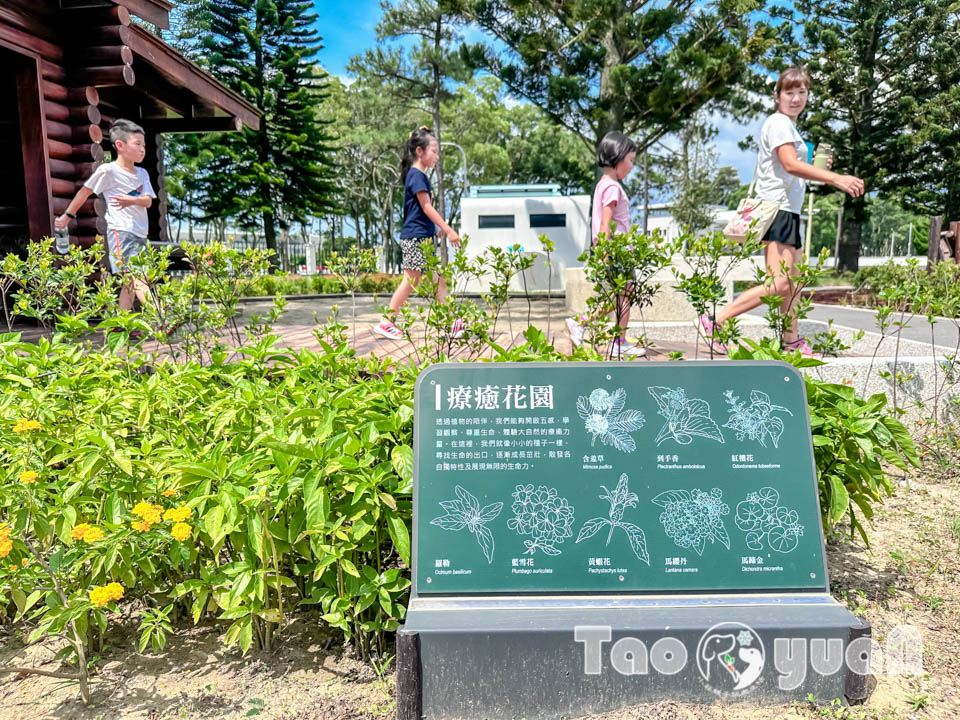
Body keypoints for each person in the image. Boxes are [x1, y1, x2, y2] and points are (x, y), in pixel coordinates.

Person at [699, 66, 865, 357]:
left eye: (802, 92)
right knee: (779, 283)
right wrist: (836, 178)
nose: (796, 98)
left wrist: (815, 168)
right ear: (777, 95)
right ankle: (716, 320)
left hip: (788, 211)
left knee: (793, 284)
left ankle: (791, 342)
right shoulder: (778, 122)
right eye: (790, 92)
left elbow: (792, 169)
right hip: (777, 210)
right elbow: (789, 164)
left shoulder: (790, 127)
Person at [54, 119, 156, 312]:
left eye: (144, 145)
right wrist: (67, 216)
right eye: (137, 144)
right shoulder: (108, 170)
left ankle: (120, 325)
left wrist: (131, 200)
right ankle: (162, 316)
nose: (142, 149)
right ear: (120, 145)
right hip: (121, 231)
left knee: (129, 281)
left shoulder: (142, 173)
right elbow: (84, 192)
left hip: (141, 232)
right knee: (137, 275)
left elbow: (148, 201)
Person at [374, 126, 462, 340]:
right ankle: (387, 321)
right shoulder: (417, 175)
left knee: (435, 278)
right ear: (420, 152)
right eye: (434, 151)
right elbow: (426, 207)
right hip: (415, 237)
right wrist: (448, 229)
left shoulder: (417, 175)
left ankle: (451, 322)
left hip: (420, 235)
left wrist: (435, 228)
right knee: (412, 279)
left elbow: (419, 211)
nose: (437, 156)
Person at [566, 131, 645, 358]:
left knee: (623, 296)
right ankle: (617, 341)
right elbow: (605, 222)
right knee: (625, 296)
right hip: (617, 250)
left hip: (613, 250)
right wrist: (605, 251)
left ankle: (582, 323)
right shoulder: (612, 187)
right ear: (618, 158)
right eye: (630, 161)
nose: (631, 167)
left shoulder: (603, 184)